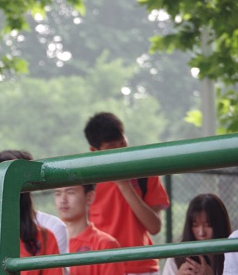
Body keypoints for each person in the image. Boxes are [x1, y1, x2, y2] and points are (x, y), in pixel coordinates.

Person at [84, 112, 170, 275]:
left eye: (122, 143)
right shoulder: (87, 180)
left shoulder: (145, 172)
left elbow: (155, 227)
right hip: (103, 266)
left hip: (141, 267)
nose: (120, 151)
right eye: (111, 147)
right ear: (94, 150)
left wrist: (124, 185)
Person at [55, 184, 124, 275]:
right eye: (58, 193)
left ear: (89, 197)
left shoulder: (105, 245)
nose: (63, 200)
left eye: (70, 192)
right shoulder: (49, 240)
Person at [161, 194, 231, 275]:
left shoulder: (233, 254)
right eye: (195, 225)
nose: (201, 233)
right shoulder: (175, 259)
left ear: (220, 225)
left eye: (208, 225)